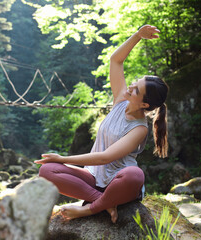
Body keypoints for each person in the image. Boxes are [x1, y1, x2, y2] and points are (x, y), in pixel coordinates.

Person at [34, 25, 169, 223]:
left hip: (120, 183)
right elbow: (116, 60)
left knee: (134, 174)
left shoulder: (139, 129)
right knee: (46, 171)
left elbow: (105, 158)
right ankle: (105, 203)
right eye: (135, 82)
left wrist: (64, 157)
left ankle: (89, 209)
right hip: (94, 180)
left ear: (144, 104)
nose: (130, 87)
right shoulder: (120, 100)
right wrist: (138, 35)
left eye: (136, 89)